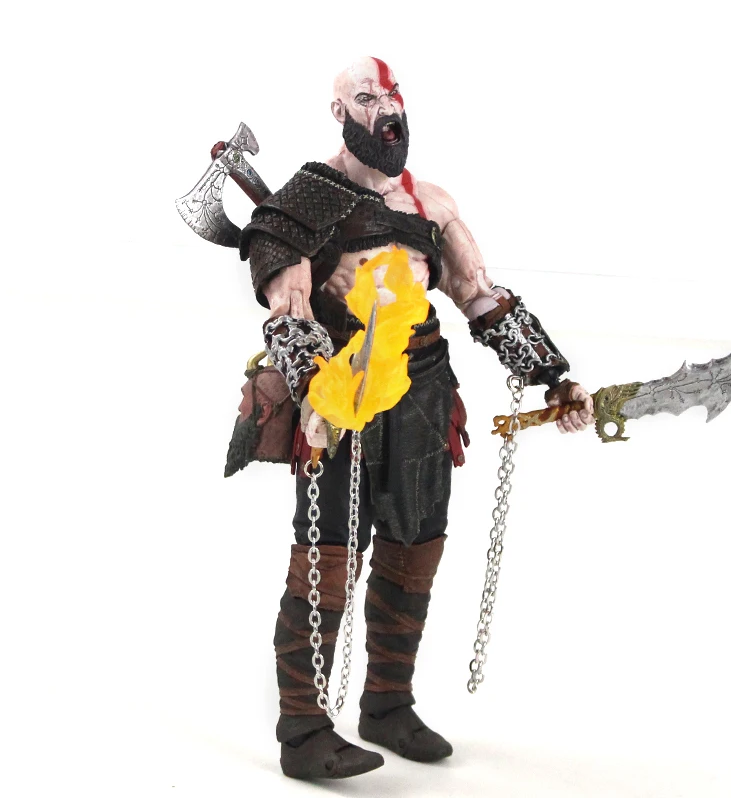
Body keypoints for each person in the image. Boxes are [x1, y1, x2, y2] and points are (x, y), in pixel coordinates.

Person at [238, 57, 594, 780]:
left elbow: (479, 294)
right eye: (367, 98)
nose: (387, 110)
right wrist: (316, 394)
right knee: (326, 558)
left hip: (424, 395)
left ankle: (388, 705)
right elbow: (290, 311)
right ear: (340, 113)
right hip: (342, 392)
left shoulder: (431, 204)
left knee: (416, 546)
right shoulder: (302, 202)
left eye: (393, 96)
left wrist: (552, 376)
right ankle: (302, 730)